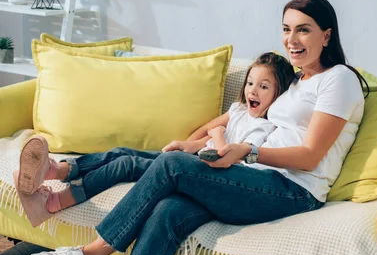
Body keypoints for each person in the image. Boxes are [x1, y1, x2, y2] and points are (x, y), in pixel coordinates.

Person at [24, 0, 367, 255]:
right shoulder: (300, 80)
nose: (292, 39)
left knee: (172, 166)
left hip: (293, 189)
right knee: (169, 209)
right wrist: (228, 150)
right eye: (287, 29)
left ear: (327, 35)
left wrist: (247, 152)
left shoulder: (340, 80)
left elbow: (311, 155)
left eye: (304, 30)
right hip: (254, 176)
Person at [14, 52, 295, 228]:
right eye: (250, 83)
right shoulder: (238, 110)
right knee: (123, 153)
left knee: (125, 164)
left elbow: (226, 157)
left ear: (279, 94)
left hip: (203, 175)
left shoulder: (264, 129)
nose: (252, 91)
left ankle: (53, 202)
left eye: (263, 86)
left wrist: (217, 136)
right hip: (191, 160)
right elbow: (204, 131)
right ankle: (56, 170)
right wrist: (188, 145)